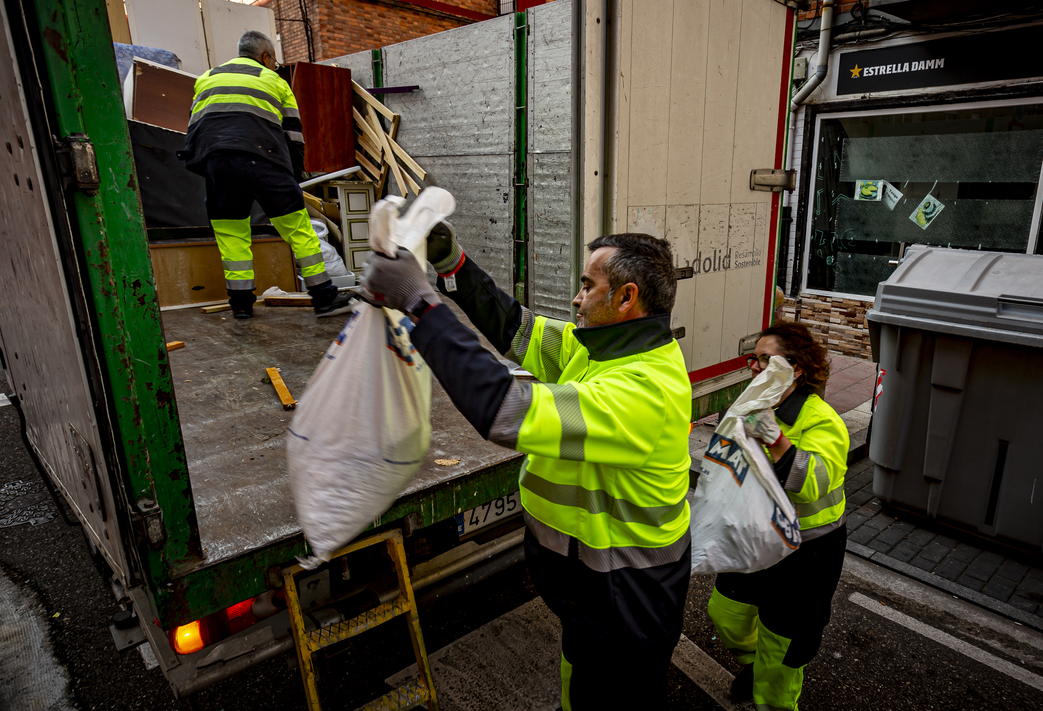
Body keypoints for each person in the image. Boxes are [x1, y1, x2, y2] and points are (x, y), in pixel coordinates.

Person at [361, 229, 692, 710]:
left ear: (626, 298)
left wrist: (418, 303)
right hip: (591, 591)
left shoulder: (645, 391)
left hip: (628, 604)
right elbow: (515, 326)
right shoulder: (597, 346)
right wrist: (451, 262)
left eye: (587, 285)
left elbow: (504, 408)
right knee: (579, 680)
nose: (576, 300)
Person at [707, 322, 849, 710]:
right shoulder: (752, 405)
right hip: (755, 537)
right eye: (753, 358)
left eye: (766, 359)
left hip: (806, 553)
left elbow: (813, 481)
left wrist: (775, 438)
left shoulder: (821, 420)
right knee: (726, 614)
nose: (755, 366)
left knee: (783, 644)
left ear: (796, 369)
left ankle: (771, 692)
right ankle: (756, 666)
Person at [180, 30, 347, 319]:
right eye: (274, 61)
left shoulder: (207, 78)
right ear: (266, 57)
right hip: (264, 159)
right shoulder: (274, 81)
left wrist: (206, 166)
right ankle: (324, 298)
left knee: (231, 234)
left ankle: (242, 305)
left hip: (218, 162)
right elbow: (294, 134)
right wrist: (292, 177)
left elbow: (195, 129)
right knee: (297, 228)